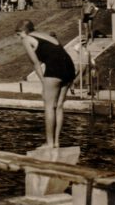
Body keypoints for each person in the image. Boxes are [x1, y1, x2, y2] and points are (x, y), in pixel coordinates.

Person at [16, 19, 76, 148]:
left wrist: (44, 82)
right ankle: (56, 142)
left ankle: (49, 144)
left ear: (23, 31)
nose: (18, 38)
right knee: (59, 106)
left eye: (18, 34)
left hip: (55, 69)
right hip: (69, 67)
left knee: (48, 106)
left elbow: (36, 63)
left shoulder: (27, 39)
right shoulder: (45, 35)